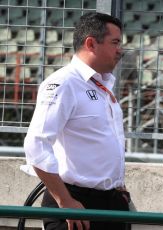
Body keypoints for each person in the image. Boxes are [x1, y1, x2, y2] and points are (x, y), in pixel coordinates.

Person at [24, 12, 130, 230]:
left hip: (111, 203)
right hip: (75, 204)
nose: (120, 49)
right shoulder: (64, 83)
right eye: (115, 42)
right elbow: (36, 146)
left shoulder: (102, 85)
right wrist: (65, 201)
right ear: (91, 43)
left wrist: (118, 187)